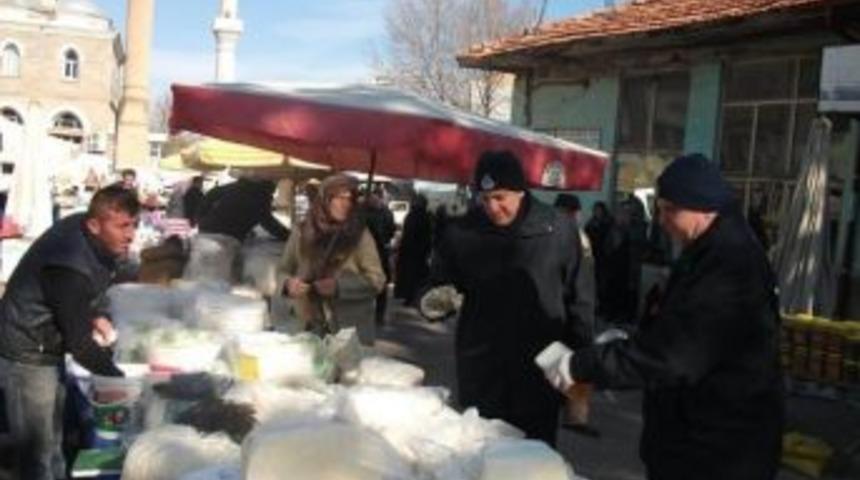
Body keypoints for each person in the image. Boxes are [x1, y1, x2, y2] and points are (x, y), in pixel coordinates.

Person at [536, 153, 783, 480]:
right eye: (659, 209)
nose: (661, 220)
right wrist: (631, 338)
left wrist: (580, 365)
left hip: (716, 451)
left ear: (704, 207)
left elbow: (671, 356)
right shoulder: (710, 249)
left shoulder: (728, 265)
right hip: (699, 437)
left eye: (670, 210)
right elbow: (679, 331)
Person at [424, 150, 589, 445]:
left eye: (500, 197)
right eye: (485, 199)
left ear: (520, 190)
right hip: (482, 367)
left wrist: (581, 366)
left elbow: (581, 299)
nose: (493, 207)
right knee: (483, 453)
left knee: (533, 459)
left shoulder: (558, 228)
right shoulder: (462, 231)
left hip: (540, 368)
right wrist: (435, 299)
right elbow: (435, 282)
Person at [0, 185, 138, 480]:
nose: (131, 235)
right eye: (123, 226)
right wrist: (122, 382)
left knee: (54, 442)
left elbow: (80, 298)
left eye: (134, 225)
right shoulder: (68, 264)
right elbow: (81, 346)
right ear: (94, 225)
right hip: (27, 349)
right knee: (37, 450)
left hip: (48, 343)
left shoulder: (91, 234)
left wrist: (96, 315)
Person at [279, 174, 386, 345]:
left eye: (350, 198)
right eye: (338, 197)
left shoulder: (360, 235)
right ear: (325, 199)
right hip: (308, 325)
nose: (345, 204)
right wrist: (288, 284)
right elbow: (283, 269)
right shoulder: (302, 231)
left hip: (348, 330)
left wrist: (339, 287)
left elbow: (377, 280)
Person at [197, 176, 289, 241]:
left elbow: (207, 199)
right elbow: (269, 223)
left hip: (205, 229)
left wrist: (201, 221)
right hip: (228, 236)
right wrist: (288, 236)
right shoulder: (261, 195)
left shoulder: (231, 187)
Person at [363, 188, 396, 325]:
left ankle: (376, 316)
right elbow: (391, 231)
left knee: (374, 285)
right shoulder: (386, 213)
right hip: (378, 252)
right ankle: (377, 316)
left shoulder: (364, 213)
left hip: (372, 253)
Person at [394, 194, 433, 306]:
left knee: (409, 276)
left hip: (409, 252)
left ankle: (409, 297)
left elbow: (408, 235)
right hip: (419, 253)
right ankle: (414, 297)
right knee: (417, 277)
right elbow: (427, 236)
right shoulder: (425, 217)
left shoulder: (412, 216)